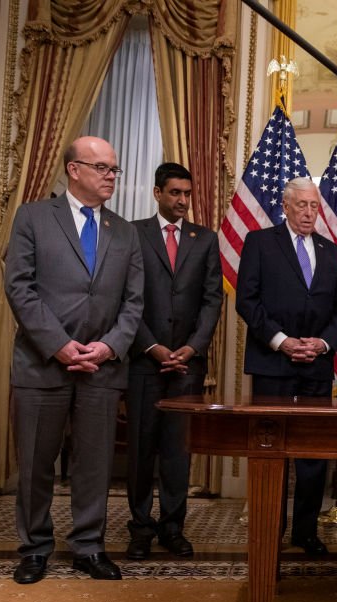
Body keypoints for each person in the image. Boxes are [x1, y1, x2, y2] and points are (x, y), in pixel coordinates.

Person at [4, 136, 144, 584]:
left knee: (94, 463)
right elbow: (19, 288)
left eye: (114, 169)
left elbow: (134, 302)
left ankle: (88, 546)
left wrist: (108, 346)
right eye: (102, 168)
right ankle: (35, 549)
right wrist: (59, 345)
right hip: (42, 363)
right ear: (74, 170)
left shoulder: (125, 231)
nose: (111, 177)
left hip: (102, 367)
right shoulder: (32, 217)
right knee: (36, 464)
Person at [235, 177, 337, 556]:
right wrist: (282, 341)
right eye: (300, 205)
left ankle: (305, 532)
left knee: (313, 455)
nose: (307, 212)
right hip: (273, 365)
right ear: (284, 206)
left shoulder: (332, 252)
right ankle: (269, 531)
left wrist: (322, 343)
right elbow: (247, 301)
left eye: (313, 206)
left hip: (316, 366)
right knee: (271, 452)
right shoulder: (260, 242)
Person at [124, 162, 223, 561]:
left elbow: (212, 299)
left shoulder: (205, 239)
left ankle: (172, 528)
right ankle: (140, 529)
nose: (183, 200)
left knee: (177, 451)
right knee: (141, 450)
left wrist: (193, 347)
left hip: (187, 365)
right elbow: (124, 297)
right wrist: (152, 347)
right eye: (175, 193)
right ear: (157, 194)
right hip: (144, 362)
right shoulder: (133, 234)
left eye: (187, 193)